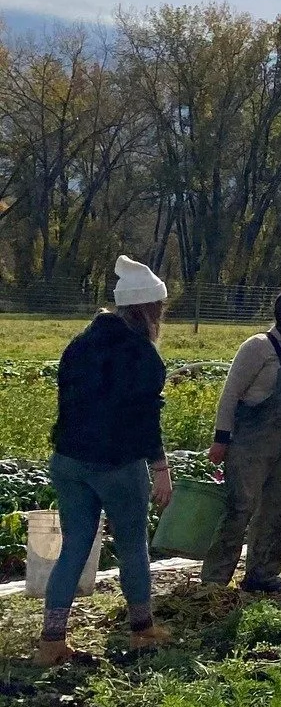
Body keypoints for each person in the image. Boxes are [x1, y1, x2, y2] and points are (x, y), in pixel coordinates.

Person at [36, 256, 175, 666]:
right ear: (149, 309)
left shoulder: (79, 344)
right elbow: (145, 419)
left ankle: (52, 641)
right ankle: (141, 629)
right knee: (133, 547)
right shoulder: (142, 355)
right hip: (117, 464)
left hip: (68, 460)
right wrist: (161, 469)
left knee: (75, 547)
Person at [202, 288, 281, 602]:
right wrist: (221, 440)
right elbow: (230, 395)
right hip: (251, 442)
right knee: (240, 508)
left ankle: (262, 576)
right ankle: (214, 581)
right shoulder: (258, 348)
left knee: (278, 510)